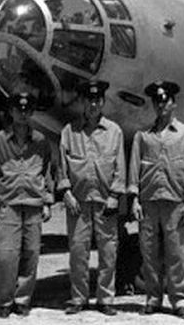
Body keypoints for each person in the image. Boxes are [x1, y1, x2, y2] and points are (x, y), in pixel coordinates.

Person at [128, 80, 184, 321]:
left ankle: (179, 300)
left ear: (173, 103)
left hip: (175, 202)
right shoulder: (143, 137)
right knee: (149, 253)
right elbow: (134, 170)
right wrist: (135, 200)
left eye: (165, 100)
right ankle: (153, 298)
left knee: (177, 253)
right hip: (149, 202)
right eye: (157, 101)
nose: (161, 105)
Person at [57, 80, 126, 316]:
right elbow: (62, 166)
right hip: (78, 202)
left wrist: (116, 195)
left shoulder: (114, 131)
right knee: (78, 251)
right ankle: (79, 298)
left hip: (106, 202)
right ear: (83, 103)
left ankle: (105, 299)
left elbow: (120, 167)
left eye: (97, 100)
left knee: (108, 252)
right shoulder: (70, 132)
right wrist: (65, 192)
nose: (94, 104)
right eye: (89, 100)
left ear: (102, 102)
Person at [0, 91, 54, 318]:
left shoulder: (41, 141)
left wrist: (47, 202)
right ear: (11, 112)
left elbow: (48, 172)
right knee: (5, 254)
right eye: (18, 109)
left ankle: (22, 299)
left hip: (33, 204)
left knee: (31, 254)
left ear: (31, 113)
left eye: (27, 110)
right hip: (9, 204)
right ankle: (4, 300)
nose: (23, 114)